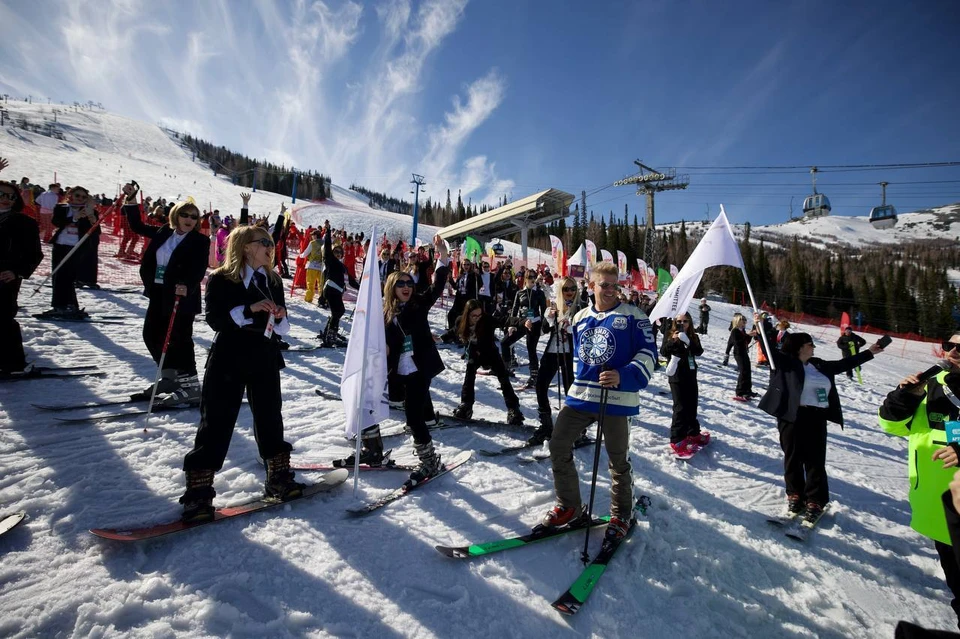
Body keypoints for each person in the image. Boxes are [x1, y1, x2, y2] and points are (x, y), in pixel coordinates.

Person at [178, 225, 301, 522]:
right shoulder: (221, 278)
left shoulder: (272, 280)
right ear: (245, 246)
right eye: (264, 242)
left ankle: (279, 477)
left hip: (265, 355)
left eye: (271, 242)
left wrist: (280, 315)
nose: (270, 247)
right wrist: (250, 308)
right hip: (229, 357)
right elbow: (215, 319)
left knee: (270, 417)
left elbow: (282, 328)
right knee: (216, 421)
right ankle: (199, 494)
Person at [542, 262, 657, 540]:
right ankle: (569, 505)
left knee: (618, 460)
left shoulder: (634, 315)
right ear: (591, 286)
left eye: (614, 285)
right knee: (558, 444)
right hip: (582, 396)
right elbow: (580, 356)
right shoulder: (581, 317)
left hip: (616, 399)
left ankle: (622, 514)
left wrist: (623, 375)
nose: (609, 290)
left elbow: (649, 354)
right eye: (603, 285)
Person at [879, 331, 960, 629]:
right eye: (949, 345)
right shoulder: (931, 385)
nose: (953, 351)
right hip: (938, 509)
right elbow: (890, 425)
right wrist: (904, 396)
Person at [759, 331, 882, 521]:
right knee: (793, 458)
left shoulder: (818, 364)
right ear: (799, 347)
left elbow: (843, 364)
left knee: (815, 460)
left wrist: (870, 352)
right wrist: (761, 325)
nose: (813, 347)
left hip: (816, 417)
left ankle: (815, 500)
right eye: (810, 344)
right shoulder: (785, 364)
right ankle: (795, 495)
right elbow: (769, 350)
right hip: (792, 417)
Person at [121, 182, 210, 405]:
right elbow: (137, 226)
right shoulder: (164, 232)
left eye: (194, 216)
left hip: (181, 296)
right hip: (159, 292)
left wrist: (187, 285)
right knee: (152, 335)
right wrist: (131, 200)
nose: (189, 219)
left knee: (180, 339)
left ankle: (191, 385)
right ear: (175, 216)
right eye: (185, 214)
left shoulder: (200, 240)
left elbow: (199, 268)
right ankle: (171, 377)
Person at [382, 235, 451, 485]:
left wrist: (443, 257)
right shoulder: (385, 313)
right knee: (396, 410)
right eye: (401, 283)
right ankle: (373, 449)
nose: (406, 287)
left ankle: (429, 460)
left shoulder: (418, 304)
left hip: (420, 366)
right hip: (399, 369)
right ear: (392, 287)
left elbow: (436, 287)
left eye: (409, 283)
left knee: (413, 416)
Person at [528, 276, 582, 445]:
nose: (569, 292)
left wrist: (572, 328)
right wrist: (550, 318)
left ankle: (577, 429)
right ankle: (546, 425)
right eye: (566, 289)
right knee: (540, 385)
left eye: (573, 289)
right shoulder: (554, 305)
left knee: (570, 390)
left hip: (570, 354)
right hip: (553, 350)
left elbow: (586, 331)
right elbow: (544, 329)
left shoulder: (581, 307)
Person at [453, 299, 524, 425]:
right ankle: (466, 406)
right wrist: (440, 338)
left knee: (504, 379)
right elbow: (454, 331)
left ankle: (514, 410)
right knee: (469, 377)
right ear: (467, 314)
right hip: (474, 353)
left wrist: (523, 322)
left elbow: (504, 320)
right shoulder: (461, 321)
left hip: (490, 353)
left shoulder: (486, 320)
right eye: (474, 316)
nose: (477, 318)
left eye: (479, 315)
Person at [0, 173, 43, 375]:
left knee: (3, 318)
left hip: (6, 277)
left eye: (11, 196)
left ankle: (12, 363)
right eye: (1, 194)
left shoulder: (25, 223)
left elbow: (35, 254)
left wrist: (17, 272)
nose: (6, 199)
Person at [39, 186, 98, 319]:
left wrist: (91, 217)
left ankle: (68, 305)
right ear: (70, 195)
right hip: (60, 244)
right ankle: (61, 305)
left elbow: (95, 230)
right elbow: (56, 222)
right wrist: (74, 218)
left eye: (83, 197)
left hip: (77, 246)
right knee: (57, 274)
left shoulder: (89, 210)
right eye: (77, 195)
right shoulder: (61, 208)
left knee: (68, 276)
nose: (80, 199)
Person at [661, 311, 708, 456]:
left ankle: (693, 432)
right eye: (679, 321)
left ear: (690, 322)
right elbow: (663, 352)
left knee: (692, 404)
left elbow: (698, 351)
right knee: (680, 407)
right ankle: (677, 439)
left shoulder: (694, 336)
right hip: (676, 375)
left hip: (690, 373)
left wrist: (688, 341)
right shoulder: (670, 334)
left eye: (685, 321)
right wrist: (673, 341)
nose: (682, 324)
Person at [501, 269, 547, 388]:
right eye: (530, 277)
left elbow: (544, 311)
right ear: (525, 279)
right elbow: (515, 309)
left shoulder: (539, 293)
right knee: (505, 342)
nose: (532, 279)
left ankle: (534, 376)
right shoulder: (520, 293)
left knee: (531, 348)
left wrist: (542, 326)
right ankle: (506, 368)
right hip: (522, 322)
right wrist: (512, 325)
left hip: (534, 323)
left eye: (534, 277)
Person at [319, 220, 360, 347]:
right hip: (330, 289)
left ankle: (330, 332)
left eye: (339, 253)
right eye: (335, 252)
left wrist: (361, 288)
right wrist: (327, 231)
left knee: (338, 311)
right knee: (338, 311)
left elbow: (351, 281)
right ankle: (330, 335)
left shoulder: (343, 267)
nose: (338, 254)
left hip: (337, 291)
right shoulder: (330, 260)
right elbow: (327, 247)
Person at [725, 313, 756, 401]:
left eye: (745, 320)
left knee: (748, 371)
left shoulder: (742, 330)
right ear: (738, 321)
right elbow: (737, 342)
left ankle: (748, 390)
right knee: (743, 372)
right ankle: (740, 392)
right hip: (738, 353)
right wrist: (748, 335)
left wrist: (750, 336)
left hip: (744, 352)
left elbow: (746, 341)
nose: (744, 322)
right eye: (743, 320)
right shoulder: (735, 331)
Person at [299, 229, 324, 303]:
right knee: (321, 284)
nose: (312, 237)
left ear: (315, 236)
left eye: (313, 235)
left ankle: (309, 298)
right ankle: (322, 298)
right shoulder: (324, 243)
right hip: (321, 267)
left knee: (310, 283)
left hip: (312, 266)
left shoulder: (312, 243)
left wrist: (300, 255)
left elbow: (305, 253)